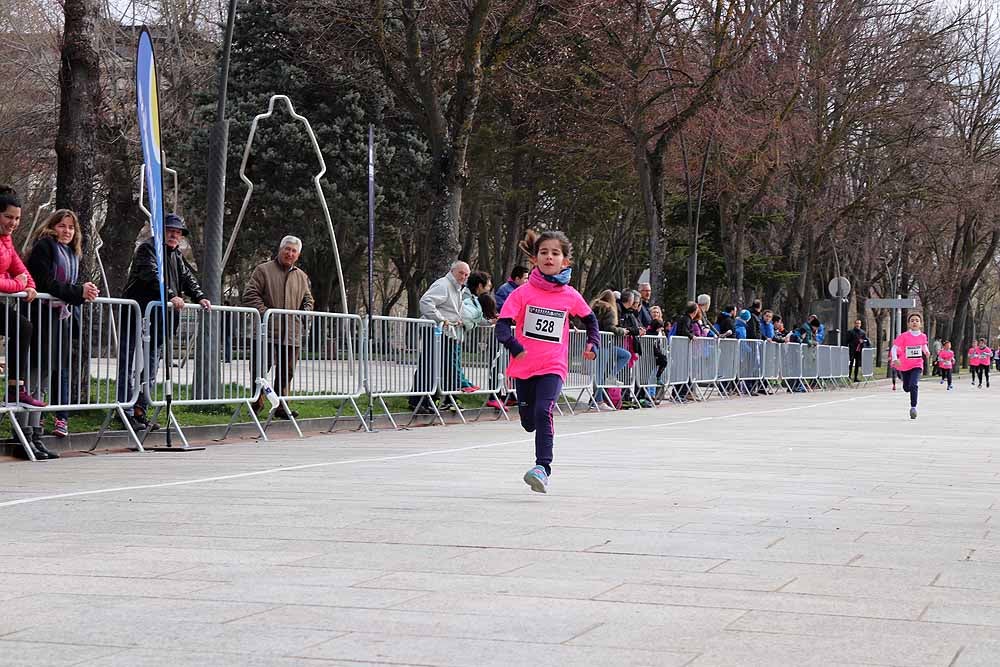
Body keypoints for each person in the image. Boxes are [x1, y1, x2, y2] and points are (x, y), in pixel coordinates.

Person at [495, 229, 599, 493]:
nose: (549, 257)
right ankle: (529, 422)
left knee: (544, 411)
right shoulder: (521, 293)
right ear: (534, 259)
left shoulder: (570, 295)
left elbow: (590, 319)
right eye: (544, 252)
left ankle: (542, 468)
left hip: (554, 365)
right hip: (524, 365)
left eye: (555, 253)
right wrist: (514, 345)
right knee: (529, 420)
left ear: (565, 261)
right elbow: (503, 327)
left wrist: (593, 343)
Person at [117, 214, 210, 431]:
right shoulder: (147, 249)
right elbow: (152, 276)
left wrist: (199, 296)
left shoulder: (175, 254)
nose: (174, 235)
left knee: (151, 365)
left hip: (159, 320)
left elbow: (187, 279)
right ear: (160, 230)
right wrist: (170, 295)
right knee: (129, 363)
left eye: (178, 232)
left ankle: (140, 408)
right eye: (170, 230)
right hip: (138, 314)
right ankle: (124, 409)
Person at [21, 209, 101, 452]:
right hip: (40, 316)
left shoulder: (71, 253)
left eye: (71, 227)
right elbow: (45, 282)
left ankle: (36, 434)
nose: (67, 231)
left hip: (59, 318)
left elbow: (65, 285)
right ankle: (24, 433)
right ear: (52, 226)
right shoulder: (45, 246)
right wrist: (78, 292)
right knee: (33, 376)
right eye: (62, 226)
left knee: (44, 379)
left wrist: (82, 291)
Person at [244, 235, 313, 420]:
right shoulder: (263, 270)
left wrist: (305, 313)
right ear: (280, 249)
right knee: (259, 369)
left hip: (292, 333)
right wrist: (266, 313)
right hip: (266, 331)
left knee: (287, 371)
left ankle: (281, 406)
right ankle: (256, 402)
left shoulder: (301, 276)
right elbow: (250, 294)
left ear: (298, 255)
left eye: (294, 251)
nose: (290, 253)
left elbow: (308, 299)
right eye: (287, 249)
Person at [407, 261, 469, 413]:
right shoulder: (443, 285)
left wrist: (457, 320)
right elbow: (426, 302)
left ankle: (429, 399)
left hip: (446, 332)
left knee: (438, 366)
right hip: (434, 330)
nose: (464, 277)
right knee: (429, 364)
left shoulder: (457, 289)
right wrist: (441, 320)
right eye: (461, 273)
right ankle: (418, 399)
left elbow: (452, 308)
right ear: (452, 271)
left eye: (466, 274)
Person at [590, 289, 632, 408]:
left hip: (599, 343)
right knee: (599, 374)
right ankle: (598, 400)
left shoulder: (593, 307)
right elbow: (610, 328)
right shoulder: (609, 309)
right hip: (603, 343)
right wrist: (622, 331)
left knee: (624, 355)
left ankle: (610, 376)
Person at [891, 312, 929, 419]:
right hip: (905, 365)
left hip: (917, 364)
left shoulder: (923, 336)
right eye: (912, 321)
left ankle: (913, 407)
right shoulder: (904, 336)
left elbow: (923, 345)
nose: (914, 322)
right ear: (908, 324)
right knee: (907, 387)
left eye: (917, 320)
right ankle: (904, 382)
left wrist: (926, 352)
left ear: (920, 324)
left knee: (914, 384)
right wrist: (895, 359)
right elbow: (894, 348)